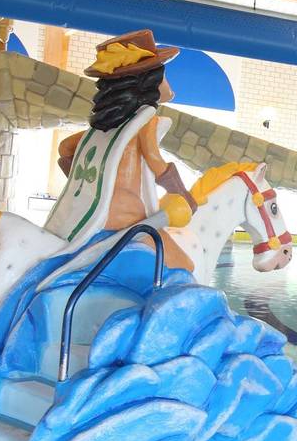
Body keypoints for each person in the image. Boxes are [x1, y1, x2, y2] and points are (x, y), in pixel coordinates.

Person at [45, 30, 198, 270]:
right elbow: (156, 162)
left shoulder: (102, 129)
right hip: (128, 225)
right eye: (163, 75)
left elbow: (65, 149)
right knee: (185, 267)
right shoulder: (145, 121)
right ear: (148, 81)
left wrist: (93, 187)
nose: (167, 82)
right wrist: (186, 197)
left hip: (93, 224)